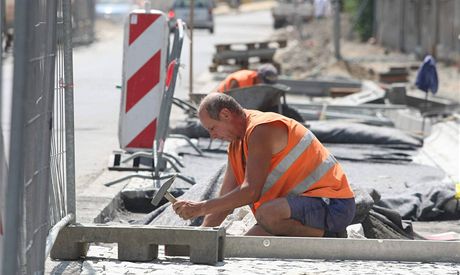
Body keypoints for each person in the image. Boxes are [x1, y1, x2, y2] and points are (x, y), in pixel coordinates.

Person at [172, 93, 355, 237]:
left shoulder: (261, 129)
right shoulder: (236, 145)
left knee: (267, 215)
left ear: (225, 114)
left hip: (333, 205)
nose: (213, 136)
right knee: (248, 246)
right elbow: (226, 199)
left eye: (213, 128)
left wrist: (200, 208)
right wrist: (202, 236)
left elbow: (251, 192)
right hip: (296, 210)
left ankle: (331, 235)